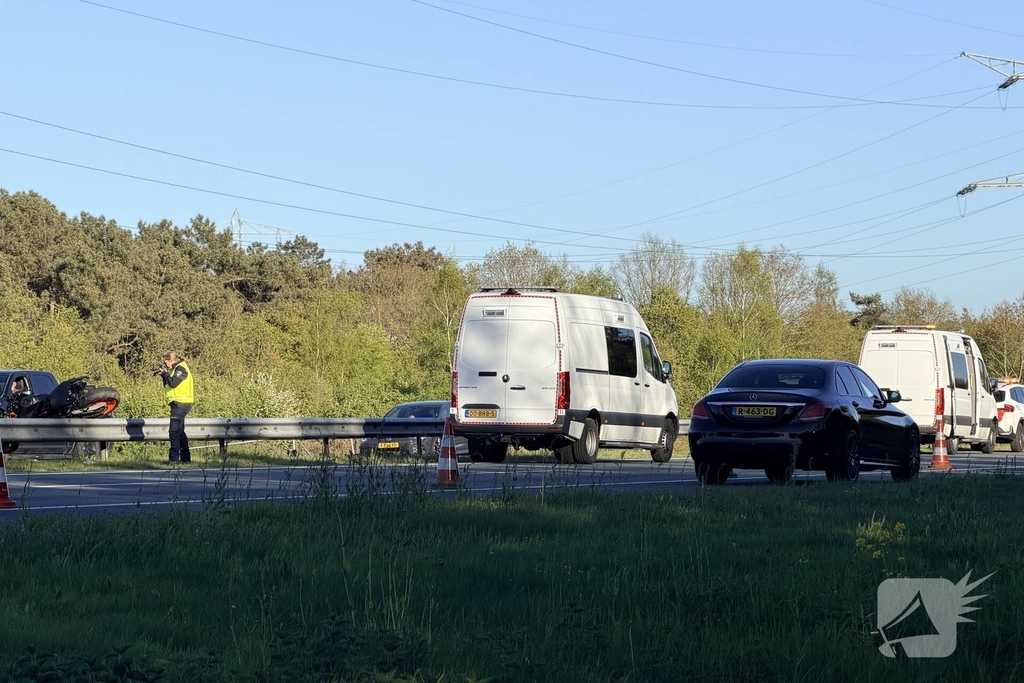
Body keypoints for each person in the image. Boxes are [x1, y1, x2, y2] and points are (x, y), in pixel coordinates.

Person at [155, 351, 194, 464]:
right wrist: (163, 375)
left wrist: (165, 374)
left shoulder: (181, 369)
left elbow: (173, 383)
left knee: (173, 431)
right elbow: (168, 386)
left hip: (182, 403)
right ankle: (186, 459)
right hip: (178, 403)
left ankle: (174, 459)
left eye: (165, 362)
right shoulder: (176, 369)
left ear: (171, 360)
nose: (166, 365)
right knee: (180, 431)